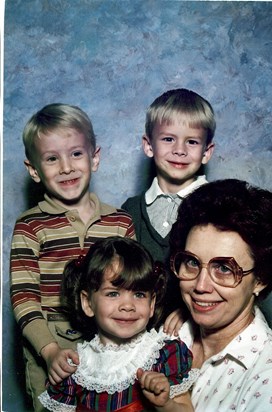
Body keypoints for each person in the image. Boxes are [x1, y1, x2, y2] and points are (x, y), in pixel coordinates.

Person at [10, 103, 135, 412]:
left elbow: (134, 287)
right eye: (52, 158)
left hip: (110, 341)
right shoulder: (30, 226)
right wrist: (49, 350)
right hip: (51, 343)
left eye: (76, 154)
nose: (66, 167)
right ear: (34, 170)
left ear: (95, 158)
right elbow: (24, 298)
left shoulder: (120, 222)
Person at [165, 178, 272, 411]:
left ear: (261, 278)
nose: (200, 286)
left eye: (224, 268)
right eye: (192, 262)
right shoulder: (172, 333)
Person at [39, 236, 196, 412]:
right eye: (113, 294)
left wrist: (166, 404)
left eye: (139, 294)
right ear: (88, 303)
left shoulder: (164, 355)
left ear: (151, 304)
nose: (128, 306)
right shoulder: (76, 368)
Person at [122, 88, 215, 264]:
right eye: (168, 139)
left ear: (206, 152)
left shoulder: (219, 208)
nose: (179, 150)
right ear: (149, 146)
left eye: (192, 142)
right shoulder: (130, 210)